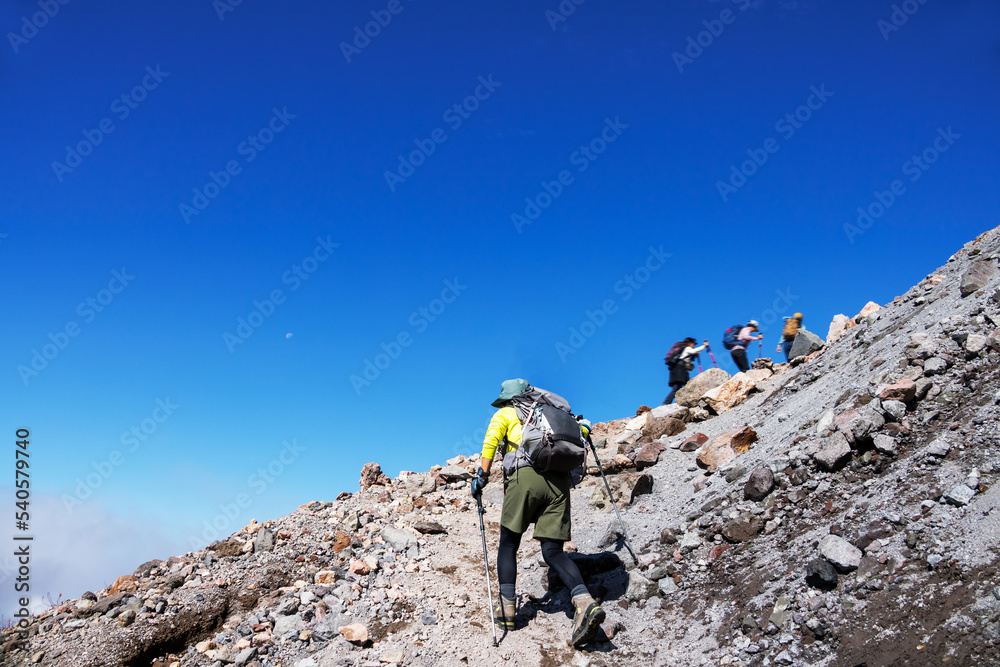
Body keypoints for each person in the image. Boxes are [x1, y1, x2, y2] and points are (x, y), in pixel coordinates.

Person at [470, 379, 605, 648]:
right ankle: (584, 602)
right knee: (553, 552)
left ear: (508, 398)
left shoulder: (506, 413)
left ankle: (507, 611)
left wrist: (481, 477)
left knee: (509, 544)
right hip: (559, 483)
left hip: (524, 479)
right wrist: (586, 426)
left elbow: (490, 443)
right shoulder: (553, 414)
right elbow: (583, 432)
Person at [664, 338, 709, 405]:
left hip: (675, 369)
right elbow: (693, 351)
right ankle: (694, 400)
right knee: (688, 385)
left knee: (676, 388)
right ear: (690, 343)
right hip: (680, 370)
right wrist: (704, 346)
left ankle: (666, 403)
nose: (694, 346)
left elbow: (688, 358)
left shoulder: (683, 351)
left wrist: (695, 355)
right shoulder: (687, 348)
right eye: (693, 344)